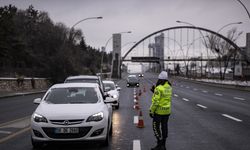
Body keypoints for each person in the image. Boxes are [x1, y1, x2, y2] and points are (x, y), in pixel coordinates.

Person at [149, 71, 172, 150]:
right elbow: (164, 97)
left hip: (159, 112)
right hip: (167, 111)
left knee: (155, 127)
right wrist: (154, 91)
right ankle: (163, 145)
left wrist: (151, 111)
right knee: (164, 127)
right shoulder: (169, 87)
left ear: (160, 79)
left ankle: (160, 144)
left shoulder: (158, 88)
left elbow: (156, 101)